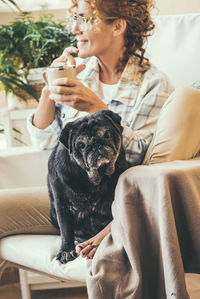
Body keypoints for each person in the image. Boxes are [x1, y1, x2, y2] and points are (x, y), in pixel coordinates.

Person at [0, 0, 199, 264]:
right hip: (70, 203)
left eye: (84, 18)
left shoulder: (153, 84)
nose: (74, 29)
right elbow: (45, 143)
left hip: (114, 206)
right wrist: (49, 90)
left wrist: (97, 107)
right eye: (74, 18)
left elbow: (147, 159)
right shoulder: (78, 77)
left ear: (117, 26)